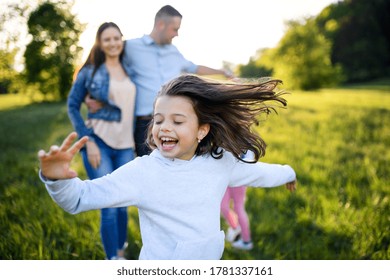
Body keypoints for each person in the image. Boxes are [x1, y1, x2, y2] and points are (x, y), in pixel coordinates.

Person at [38, 74, 297, 260]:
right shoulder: (143, 172)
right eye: (158, 119)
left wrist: (288, 172)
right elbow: (80, 198)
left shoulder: (220, 163)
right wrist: (58, 180)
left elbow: (259, 173)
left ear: (202, 130)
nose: (164, 127)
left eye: (177, 120)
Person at [86, 5, 234, 157]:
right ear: (160, 25)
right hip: (145, 124)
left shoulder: (174, 52)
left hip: (176, 121)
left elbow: (194, 68)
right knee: (150, 173)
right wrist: (87, 94)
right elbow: (98, 60)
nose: (177, 34)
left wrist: (222, 72)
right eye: (175, 29)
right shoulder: (130, 47)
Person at [67, 22, 136, 260]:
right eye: (107, 39)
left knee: (123, 203)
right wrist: (88, 141)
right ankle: (112, 261)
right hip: (99, 144)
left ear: (122, 39)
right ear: (99, 42)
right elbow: (72, 106)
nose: (113, 43)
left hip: (126, 146)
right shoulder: (90, 72)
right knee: (108, 205)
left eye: (117, 38)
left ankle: (120, 251)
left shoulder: (130, 68)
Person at [221, 151, 255, 251]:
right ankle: (235, 227)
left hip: (239, 180)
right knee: (223, 206)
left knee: (238, 208)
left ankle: (246, 241)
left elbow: (250, 160)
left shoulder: (246, 143)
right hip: (225, 178)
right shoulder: (224, 138)